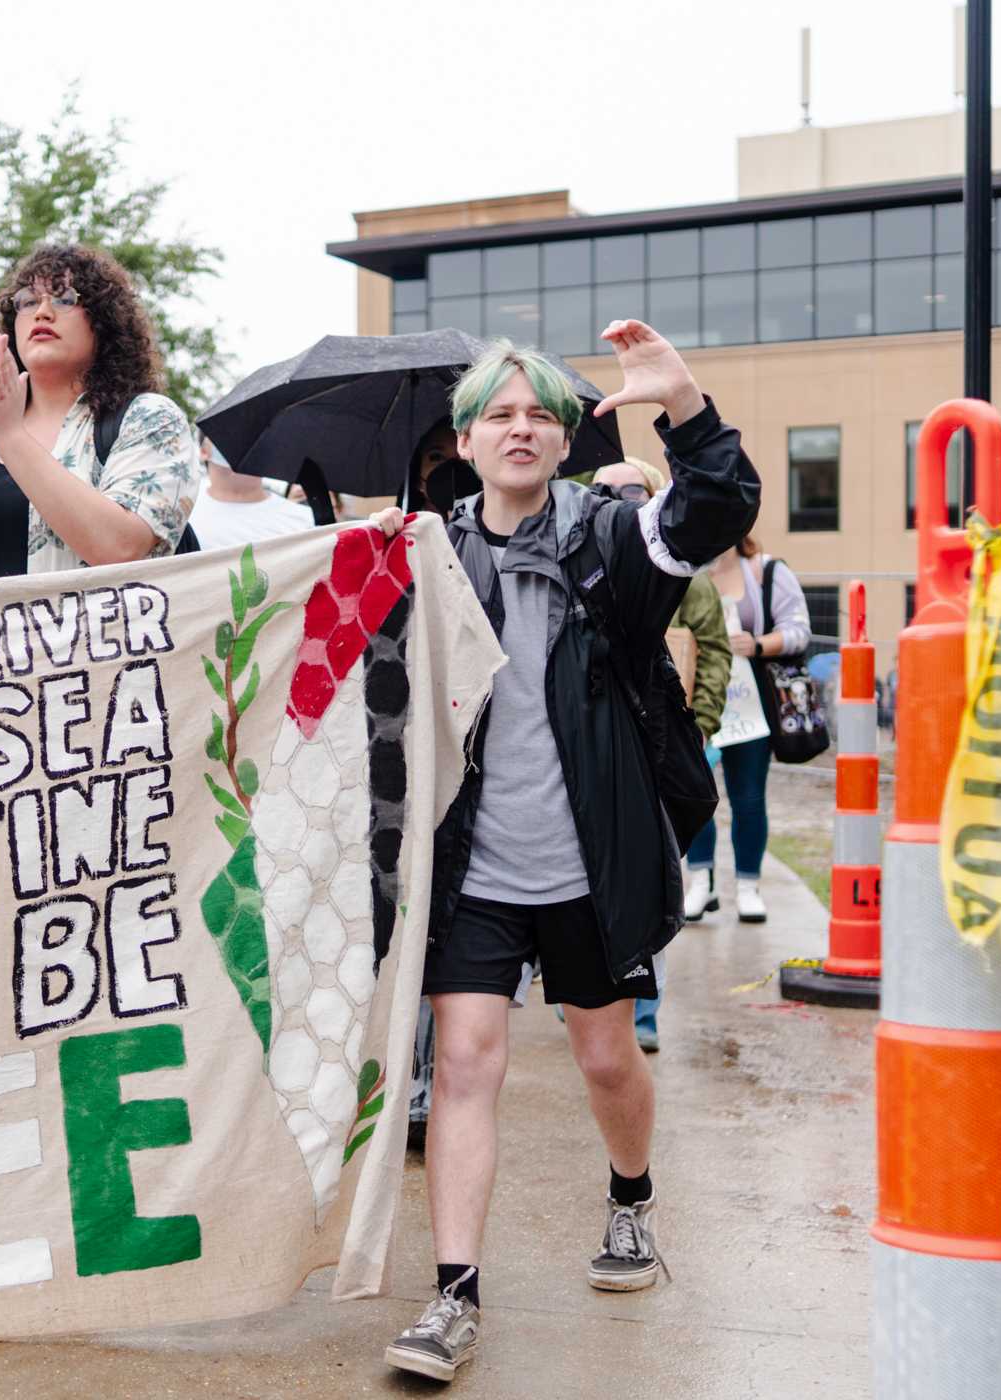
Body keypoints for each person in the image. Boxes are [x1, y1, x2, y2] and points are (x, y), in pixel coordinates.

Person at [376, 322, 759, 1384]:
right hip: (475, 871)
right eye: (499, 412)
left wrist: (682, 402)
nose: (522, 427)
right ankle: (454, 1292)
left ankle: (631, 1194)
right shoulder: (424, 554)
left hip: (593, 863)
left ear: (565, 437)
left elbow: (717, 508)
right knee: (463, 1066)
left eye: (541, 412)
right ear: (462, 438)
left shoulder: (610, 537)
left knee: (604, 1058)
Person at [0, 244, 199, 582]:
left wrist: (10, 438)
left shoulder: (148, 418)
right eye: (28, 301)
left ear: (105, 321)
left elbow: (120, 548)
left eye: (65, 299)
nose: (43, 312)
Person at [591, 458, 732, 1053]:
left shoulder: (687, 579)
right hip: (593, 755)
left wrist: (697, 728)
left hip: (661, 751)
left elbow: (717, 654)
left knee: (648, 885)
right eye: (602, 490)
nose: (614, 499)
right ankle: (590, 1001)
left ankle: (641, 1014)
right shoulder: (576, 566)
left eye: (630, 489)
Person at [684, 536, 811, 924]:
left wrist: (756, 644)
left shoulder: (766, 570)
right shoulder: (682, 565)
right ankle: (700, 881)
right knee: (692, 793)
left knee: (749, 798)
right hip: (695, 698)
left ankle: (747, 886)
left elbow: (799, 630)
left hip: (749, 706)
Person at [186, 433, 313, 549]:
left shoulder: (307, 522)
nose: (243, 445)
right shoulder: (182, 517)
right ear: (203, 451)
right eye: (229, 436)